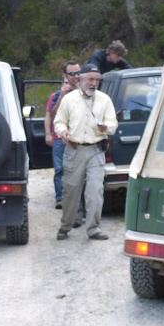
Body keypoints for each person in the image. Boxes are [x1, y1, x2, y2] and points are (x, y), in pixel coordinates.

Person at [53, 63, 118, 241]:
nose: (93, 83)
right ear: (81, 79)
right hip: (74, 150)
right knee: (70, 192)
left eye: (97, 80)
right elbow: (59, 122)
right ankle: (66, 226)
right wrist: (63, 132)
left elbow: (113, 123)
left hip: (96, 150)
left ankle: (93, 228)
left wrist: (106, 127)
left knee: (95, 191)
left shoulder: (104, 100)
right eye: (90, 79)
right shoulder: (69, 99)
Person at [45, 61, 81, 209]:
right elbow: (51, 115)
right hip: (59, 137)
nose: (74, 77)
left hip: (77, 137)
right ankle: (60, 197)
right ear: (64, 79)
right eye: (70, 76)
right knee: (59, 168)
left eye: (77, 73)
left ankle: (77, 200)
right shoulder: (56, 96)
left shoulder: (82, 93)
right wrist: (48, 134)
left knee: (77, 169)